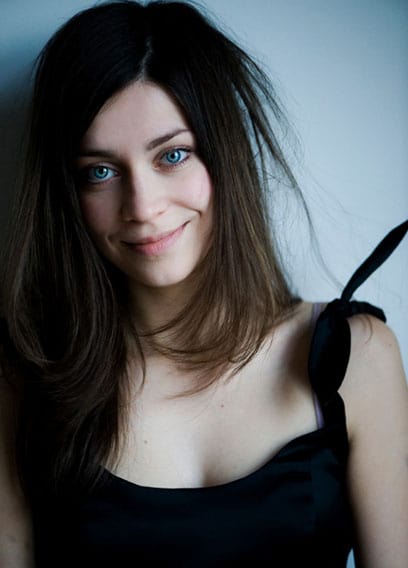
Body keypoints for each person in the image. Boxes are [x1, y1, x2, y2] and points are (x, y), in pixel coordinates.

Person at [0, 1, 407, 566]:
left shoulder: (357, 358)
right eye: (100, 171)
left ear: (224, 157)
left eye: (172, 155)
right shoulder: (24, 375)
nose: (143, 207)